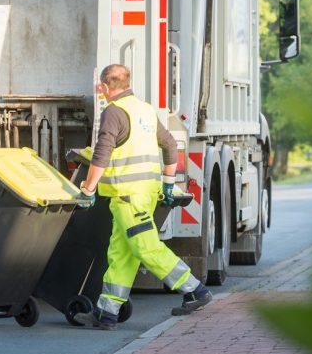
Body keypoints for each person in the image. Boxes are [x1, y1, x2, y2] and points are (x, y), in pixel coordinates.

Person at [74, 64, 212, 330]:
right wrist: (169, 183)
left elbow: (102, 153)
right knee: (121, 252)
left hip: (129, 196)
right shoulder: (145, 110)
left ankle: (194, 289)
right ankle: (107, 312)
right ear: (127, 82)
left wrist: (88, 189)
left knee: (146, 248)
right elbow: (170, 145)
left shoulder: (113, 112)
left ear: (104, 87)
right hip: (146, 193)